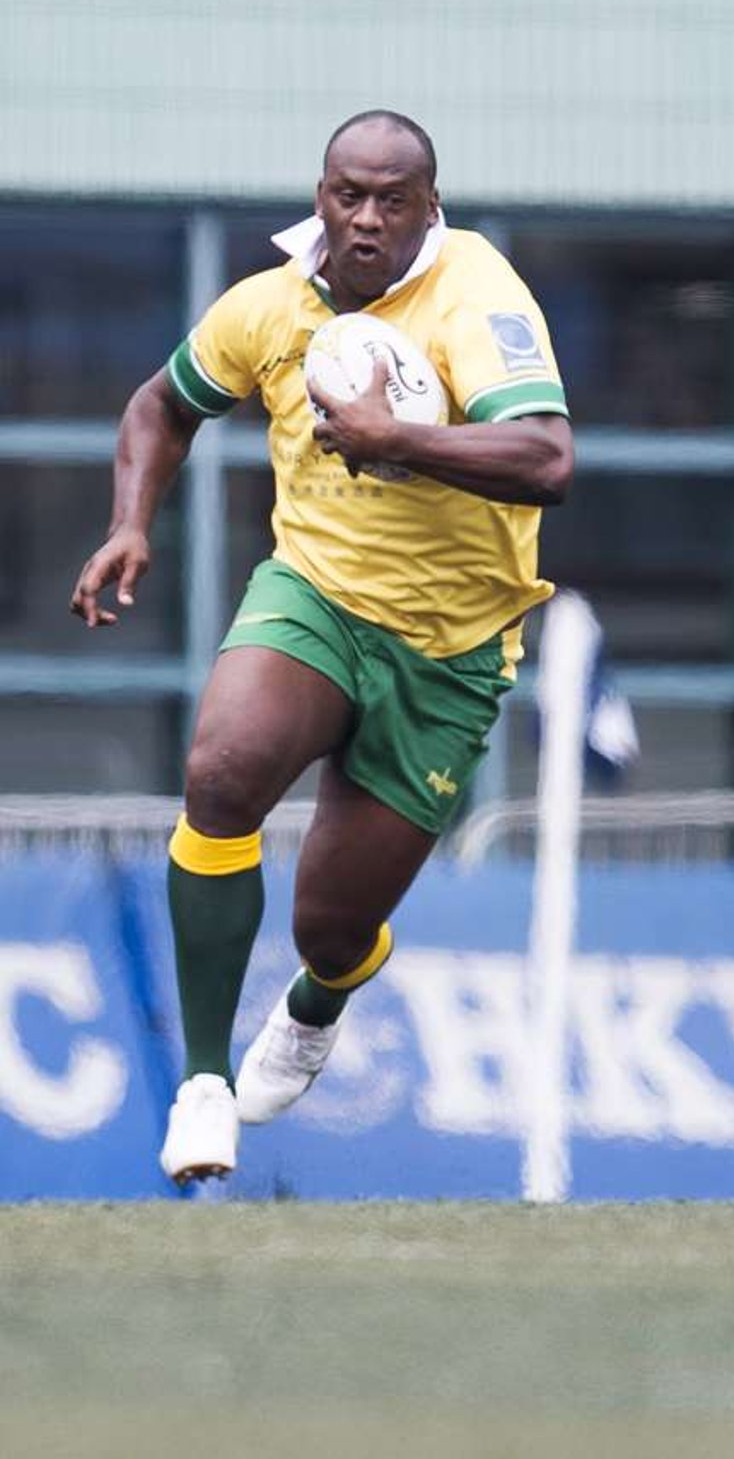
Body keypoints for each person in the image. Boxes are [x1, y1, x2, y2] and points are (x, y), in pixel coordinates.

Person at [70, 110, 573, 1184]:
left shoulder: (477, 293)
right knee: (221, 770)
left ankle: (318, 1000)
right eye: (349, 194)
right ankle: (202, 1086)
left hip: (450, 649)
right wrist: (130, 522)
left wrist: (399, 441)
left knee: (330, 925)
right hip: (317, 596)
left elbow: (544, 456)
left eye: (394, 200)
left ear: (430, 206)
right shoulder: (269, 305)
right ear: (322, 195)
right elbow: (162, 405)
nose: (367, 219)